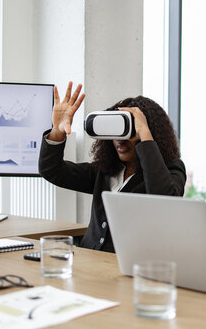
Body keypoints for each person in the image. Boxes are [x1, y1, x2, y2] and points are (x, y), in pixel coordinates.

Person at [39, 82, 186, 253]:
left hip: (128, 268)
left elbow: (165, 201)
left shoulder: (169, 170)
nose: (120, 140)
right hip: (89, 262)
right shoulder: (105, 171)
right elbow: (52, 170)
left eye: (129, 131)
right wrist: (57, 130)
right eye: (116, 131)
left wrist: (145, 134)